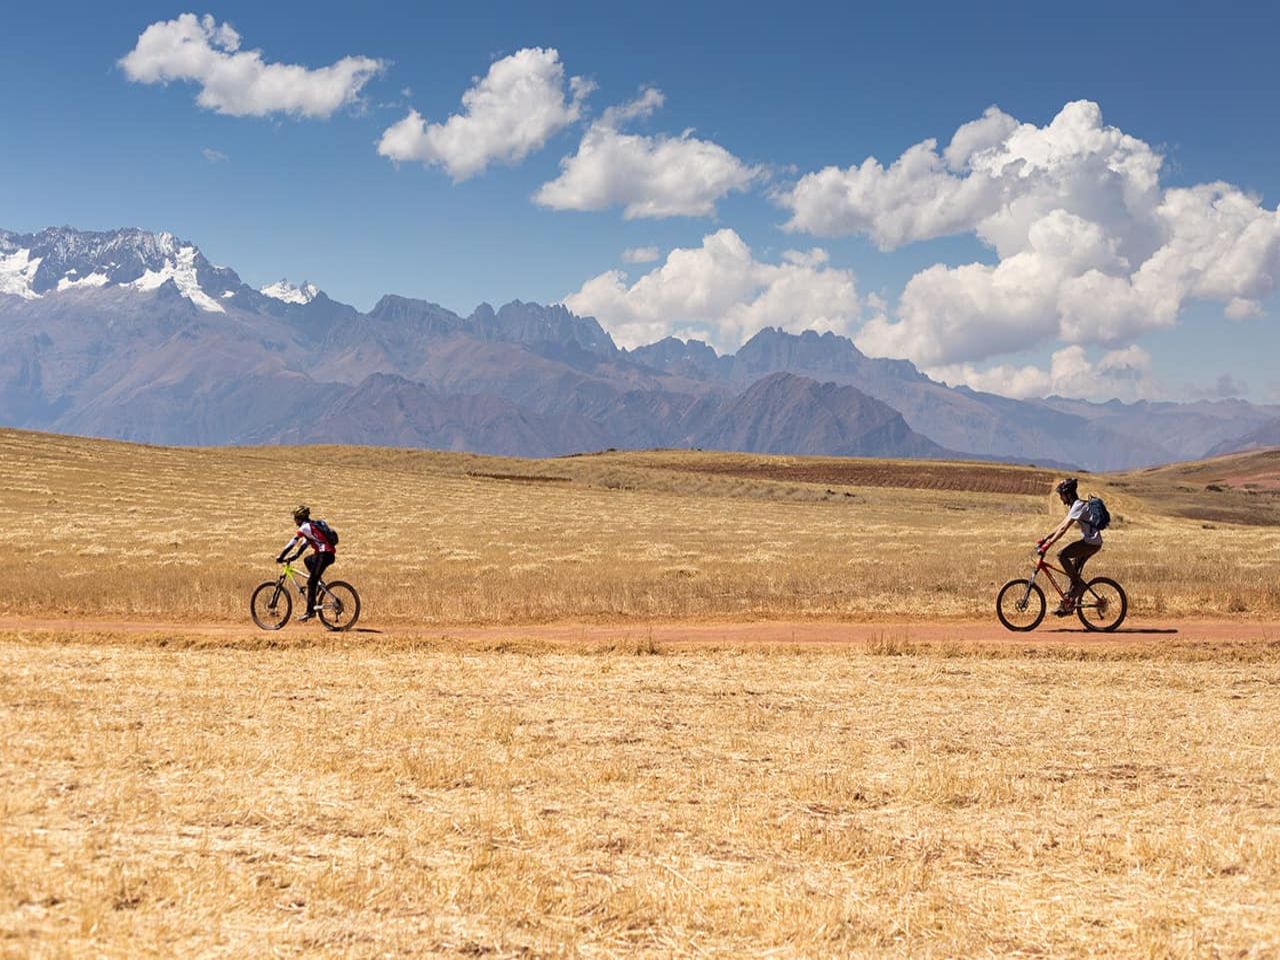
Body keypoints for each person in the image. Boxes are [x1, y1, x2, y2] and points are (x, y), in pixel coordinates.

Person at [1037, 477, 1102, 616]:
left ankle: (1077, 588)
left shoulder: (1078, 505)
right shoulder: (1075, 506)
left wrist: (1047, 546)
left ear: (1068, 494)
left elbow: (1063, 529)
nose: (1061, 498)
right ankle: (1069, 602)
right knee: (1073, 570)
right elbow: (1060, 525)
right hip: (1091, 542)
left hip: (1091, 543)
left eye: (1061, 495)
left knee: (1062, 555)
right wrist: (1045, 538)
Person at [276, 505, 336, 622]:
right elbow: (305, 544)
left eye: (295, 518)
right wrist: (295, 556)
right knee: (307, 560)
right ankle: (319, 583)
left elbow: (292, 543)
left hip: (324, 555)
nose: (294, 521)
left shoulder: (304, 528)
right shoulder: (311, 526)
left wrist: (281, 556)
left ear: (299, 518)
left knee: (311, 582)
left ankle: (310, 612)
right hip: (324, 554)